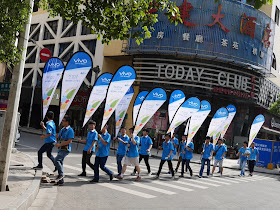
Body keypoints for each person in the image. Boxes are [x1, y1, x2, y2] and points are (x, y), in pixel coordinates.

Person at [54, 115, 74, 185]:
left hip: (65, 149)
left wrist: (59, 145)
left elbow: (69, 141)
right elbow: (59, 138)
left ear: (67, 122)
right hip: (60, 149)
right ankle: (61, 180)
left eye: (63, 121)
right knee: (60, 163)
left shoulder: (70, 130)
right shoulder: (62, 129)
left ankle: (61, 174)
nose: (62, 122)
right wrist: (56, 138)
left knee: (56, 160)